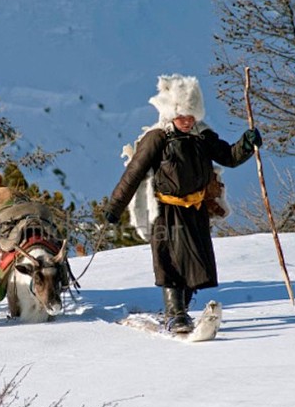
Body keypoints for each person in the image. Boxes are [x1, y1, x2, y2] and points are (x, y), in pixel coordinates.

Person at [104, 74, 261, 333]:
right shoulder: (157, 139)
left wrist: (246, 144)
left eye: (192, 116)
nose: (188, 122)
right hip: (165, 211)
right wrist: (115, 207)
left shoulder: (202, 136)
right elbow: (133, 174)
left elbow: (228, 157)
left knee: (194, 265)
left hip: (196, 209)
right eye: (183, 116)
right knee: (171, 262)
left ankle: (183, 310)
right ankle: (175, 313)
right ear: (171, 113)